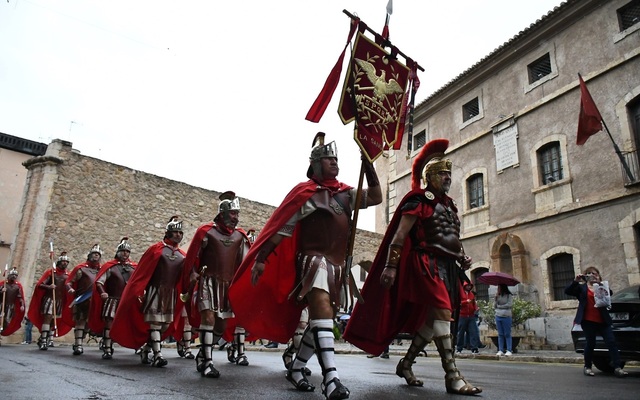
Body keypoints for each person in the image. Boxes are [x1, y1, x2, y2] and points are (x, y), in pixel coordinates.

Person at [229, 132, 382, 400]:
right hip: (313, 262)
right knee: (321, 311)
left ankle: (297, 367)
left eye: (335, 159)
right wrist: (262, 258)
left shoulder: (347, 194)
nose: (334, 162)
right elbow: (281, 230)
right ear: (315, 165)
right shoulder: (307, 195)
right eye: (327, 159)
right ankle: (331, 378)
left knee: (321, 320)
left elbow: (377, 197)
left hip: (336, 266)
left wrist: (368, 165)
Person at [343, 138, 482, 395]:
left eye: (449, 173)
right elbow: (399, 235)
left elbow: (451, 238)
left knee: (431, 322)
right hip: (425, 264)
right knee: (442, 313)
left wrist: (462, 257)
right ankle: (452, 376)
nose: (448, 177)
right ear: (430, 176)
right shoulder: (418, 200)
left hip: (448, 266)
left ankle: (405, 364)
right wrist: (391, 267)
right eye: (442, 173)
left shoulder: (449, 206)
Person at [182, 193, 251, 378]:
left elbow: (245, 263)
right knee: (209, 320)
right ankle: (208, 363)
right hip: (208, 282)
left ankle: (203, 354)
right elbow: (192, 259)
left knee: (220, 327)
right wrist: (193, 274)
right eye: (233, 213)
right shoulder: (205, 232)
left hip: (227, 285)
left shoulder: (240, 237)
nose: (236, 217)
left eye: (237, 214)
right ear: (222, 213)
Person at [111, 217, 187, 368]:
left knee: (165, 326)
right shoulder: (156, 250)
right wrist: (139, 291)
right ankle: (158, 355)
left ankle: (147, 349)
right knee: (155, 323)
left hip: (170, 293)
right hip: (155, 291)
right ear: (168, 232)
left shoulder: (182, 254)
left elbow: (183, 275)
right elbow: (143, 272)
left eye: (180, 232)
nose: (178, 235)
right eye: (175, 232)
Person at [564, 266, 628, 377]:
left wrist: (600, 284)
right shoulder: (581, 288)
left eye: (595, 273)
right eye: (589, 273)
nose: (592, 275)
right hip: (588, 320)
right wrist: (575, 281)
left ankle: (617, 367)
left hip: (603, 320)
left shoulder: (601, 286)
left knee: (611, 342)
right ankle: (587, 367)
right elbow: (567, 291)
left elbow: (610, 293)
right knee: (591, 343)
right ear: (586, 276)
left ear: (598, 275)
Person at [89, 237, 137, 359]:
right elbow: (99, 282)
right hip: (113, 300)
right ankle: (107, 347)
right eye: (123, 251)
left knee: (133, 324)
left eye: (127, 251)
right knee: (109, 324)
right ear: (118, 252)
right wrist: (102, 293)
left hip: (127, 301)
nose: (125, 253)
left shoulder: (133, 268)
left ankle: (137, 346)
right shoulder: (110, 267)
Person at [28, 251, 73, 350]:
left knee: (54, 320)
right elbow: (40, 284)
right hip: (50, 299)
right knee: (47, 318)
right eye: (63, 261)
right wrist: (49, 286)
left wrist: (70, 290)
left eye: (66, 262)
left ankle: (46, 338)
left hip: (59, 301)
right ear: (59, 262)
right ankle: (44, 339)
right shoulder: (51, 273)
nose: (65, 263)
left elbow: (68, 286)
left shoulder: (68, 275)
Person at [64, 244, 103, 355]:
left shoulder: (102, 270)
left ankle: (83, 338)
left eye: (97, 254)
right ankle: (78, 344)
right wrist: (70, 289)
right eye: (94, 254)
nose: (96, 256)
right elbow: (69, 282)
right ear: (89, 255)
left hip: (95, 300)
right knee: (80, 321)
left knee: (89, 324)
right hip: (82, 299)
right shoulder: (81, 268)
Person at [0, 267, 25, 345]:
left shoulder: (17, 286)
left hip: (10, 307)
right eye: (12, 275)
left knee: (6, 322)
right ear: (9, 275)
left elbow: (20, 296)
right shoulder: (3, 284)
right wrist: (1, 291)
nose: (14, 276)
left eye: (15, 275)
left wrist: (22, 305)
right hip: (1, 305)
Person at [457, 282, 480, 354]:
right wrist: (465, 302)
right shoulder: (461, 294)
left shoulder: (472, 294)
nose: (469, 287)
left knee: (473, 331)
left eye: (470, 286)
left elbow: (474, 303)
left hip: (471, 316)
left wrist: (476, 308)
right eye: (468, 286)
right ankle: (459, 348)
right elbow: (459, 303)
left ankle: (474, 347)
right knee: (461, 332)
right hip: (462, 316)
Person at [494, 283, 513, 356]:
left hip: (506, 316)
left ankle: (509, 349)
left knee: (507, 333)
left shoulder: (508, 295)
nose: (498, 289)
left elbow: (509, 305)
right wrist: (495, 299)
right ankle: (500, 349)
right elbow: (495, 306)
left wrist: (500, 306)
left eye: (499, 288)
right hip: (498, 316)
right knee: (500, 334)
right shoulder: (498, 296)